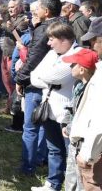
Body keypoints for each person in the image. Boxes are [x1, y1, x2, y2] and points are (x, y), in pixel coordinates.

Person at [16, 0, 63, 176]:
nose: (36, 11)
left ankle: (27, 167)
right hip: (55, 84)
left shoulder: (44, 29)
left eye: (39, 8)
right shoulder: (62, 26)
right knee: (46, 125)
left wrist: (20, 79)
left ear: (46, 11)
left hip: (37, 82)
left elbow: (33, 57)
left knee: (30, 127)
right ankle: (41, 158)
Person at [30, 22, 79, 191]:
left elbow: (57, 77)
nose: (49, 43)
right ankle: (52, 184)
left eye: (51, 39)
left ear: (63, 39)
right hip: (49, 110)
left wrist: (46, 78)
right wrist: (47, 80)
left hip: (67, 113)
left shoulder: (77, 53)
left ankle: (73, 187)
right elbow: (33, 77)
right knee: (53, 150)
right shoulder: (52, 54)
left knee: (71, 153)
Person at [66, 18, 102, 190]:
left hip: (93, 151)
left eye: (95, 40)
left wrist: (88, 152)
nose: (92, 45)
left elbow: (99, 119)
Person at [61, 47, 99, 191]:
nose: (70, 66)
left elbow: (86, 116)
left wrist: (71, 127)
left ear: (82, 69)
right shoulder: (77, 85)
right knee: (71, 177)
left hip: (84, 143)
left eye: (73, 64)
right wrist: (66, 123)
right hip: (73, 141)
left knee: (82, 180)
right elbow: (72, 108)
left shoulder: (93, 89)